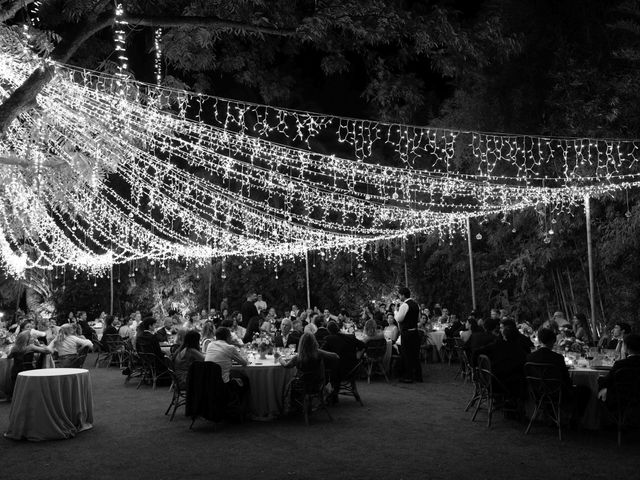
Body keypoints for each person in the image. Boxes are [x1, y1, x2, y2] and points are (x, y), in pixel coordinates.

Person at [527, 328, 591, 420]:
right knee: (584, 390)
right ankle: (575, 419)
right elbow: (566, 380)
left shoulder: (530, 357)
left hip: (537, 392)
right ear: (553, 341)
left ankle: (552, 415)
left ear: (539, 340)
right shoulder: (557, 358)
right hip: (557, 394)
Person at [280, 332, 340, 403]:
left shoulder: (298, 357)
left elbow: (286, 365)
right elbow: (336, 356)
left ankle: (294, 406)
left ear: (301, 343)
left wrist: (280, 359)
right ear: (314, 342)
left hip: (302, 385)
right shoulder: (318, 353)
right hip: (318, 384)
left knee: (292, 381)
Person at [475, 325, 527, 397]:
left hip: (490, 380)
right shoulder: (518, 350)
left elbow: (477, 352)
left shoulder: (496, 345)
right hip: (504, 383)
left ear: (503, 335)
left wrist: (475, 370)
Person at [205, 326, 249, 398]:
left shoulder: (210, 345)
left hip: (209, 381)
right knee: (245, 378)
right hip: (223, 383)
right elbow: (244, 363)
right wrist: (240, 347)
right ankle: (241, 405)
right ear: (228, 337)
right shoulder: (230, 348)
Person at [394, 286, 422, 383]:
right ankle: (418, 376)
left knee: (406, 355)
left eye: (399, 295)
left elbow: (398, 319)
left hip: (407, 333)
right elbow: (418, 319)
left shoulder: (404, 305)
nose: (399, 297)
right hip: (415, 332)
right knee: (415, 355)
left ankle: (408, 376)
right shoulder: (416, 304)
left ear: (403, 295)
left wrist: (395, 311)